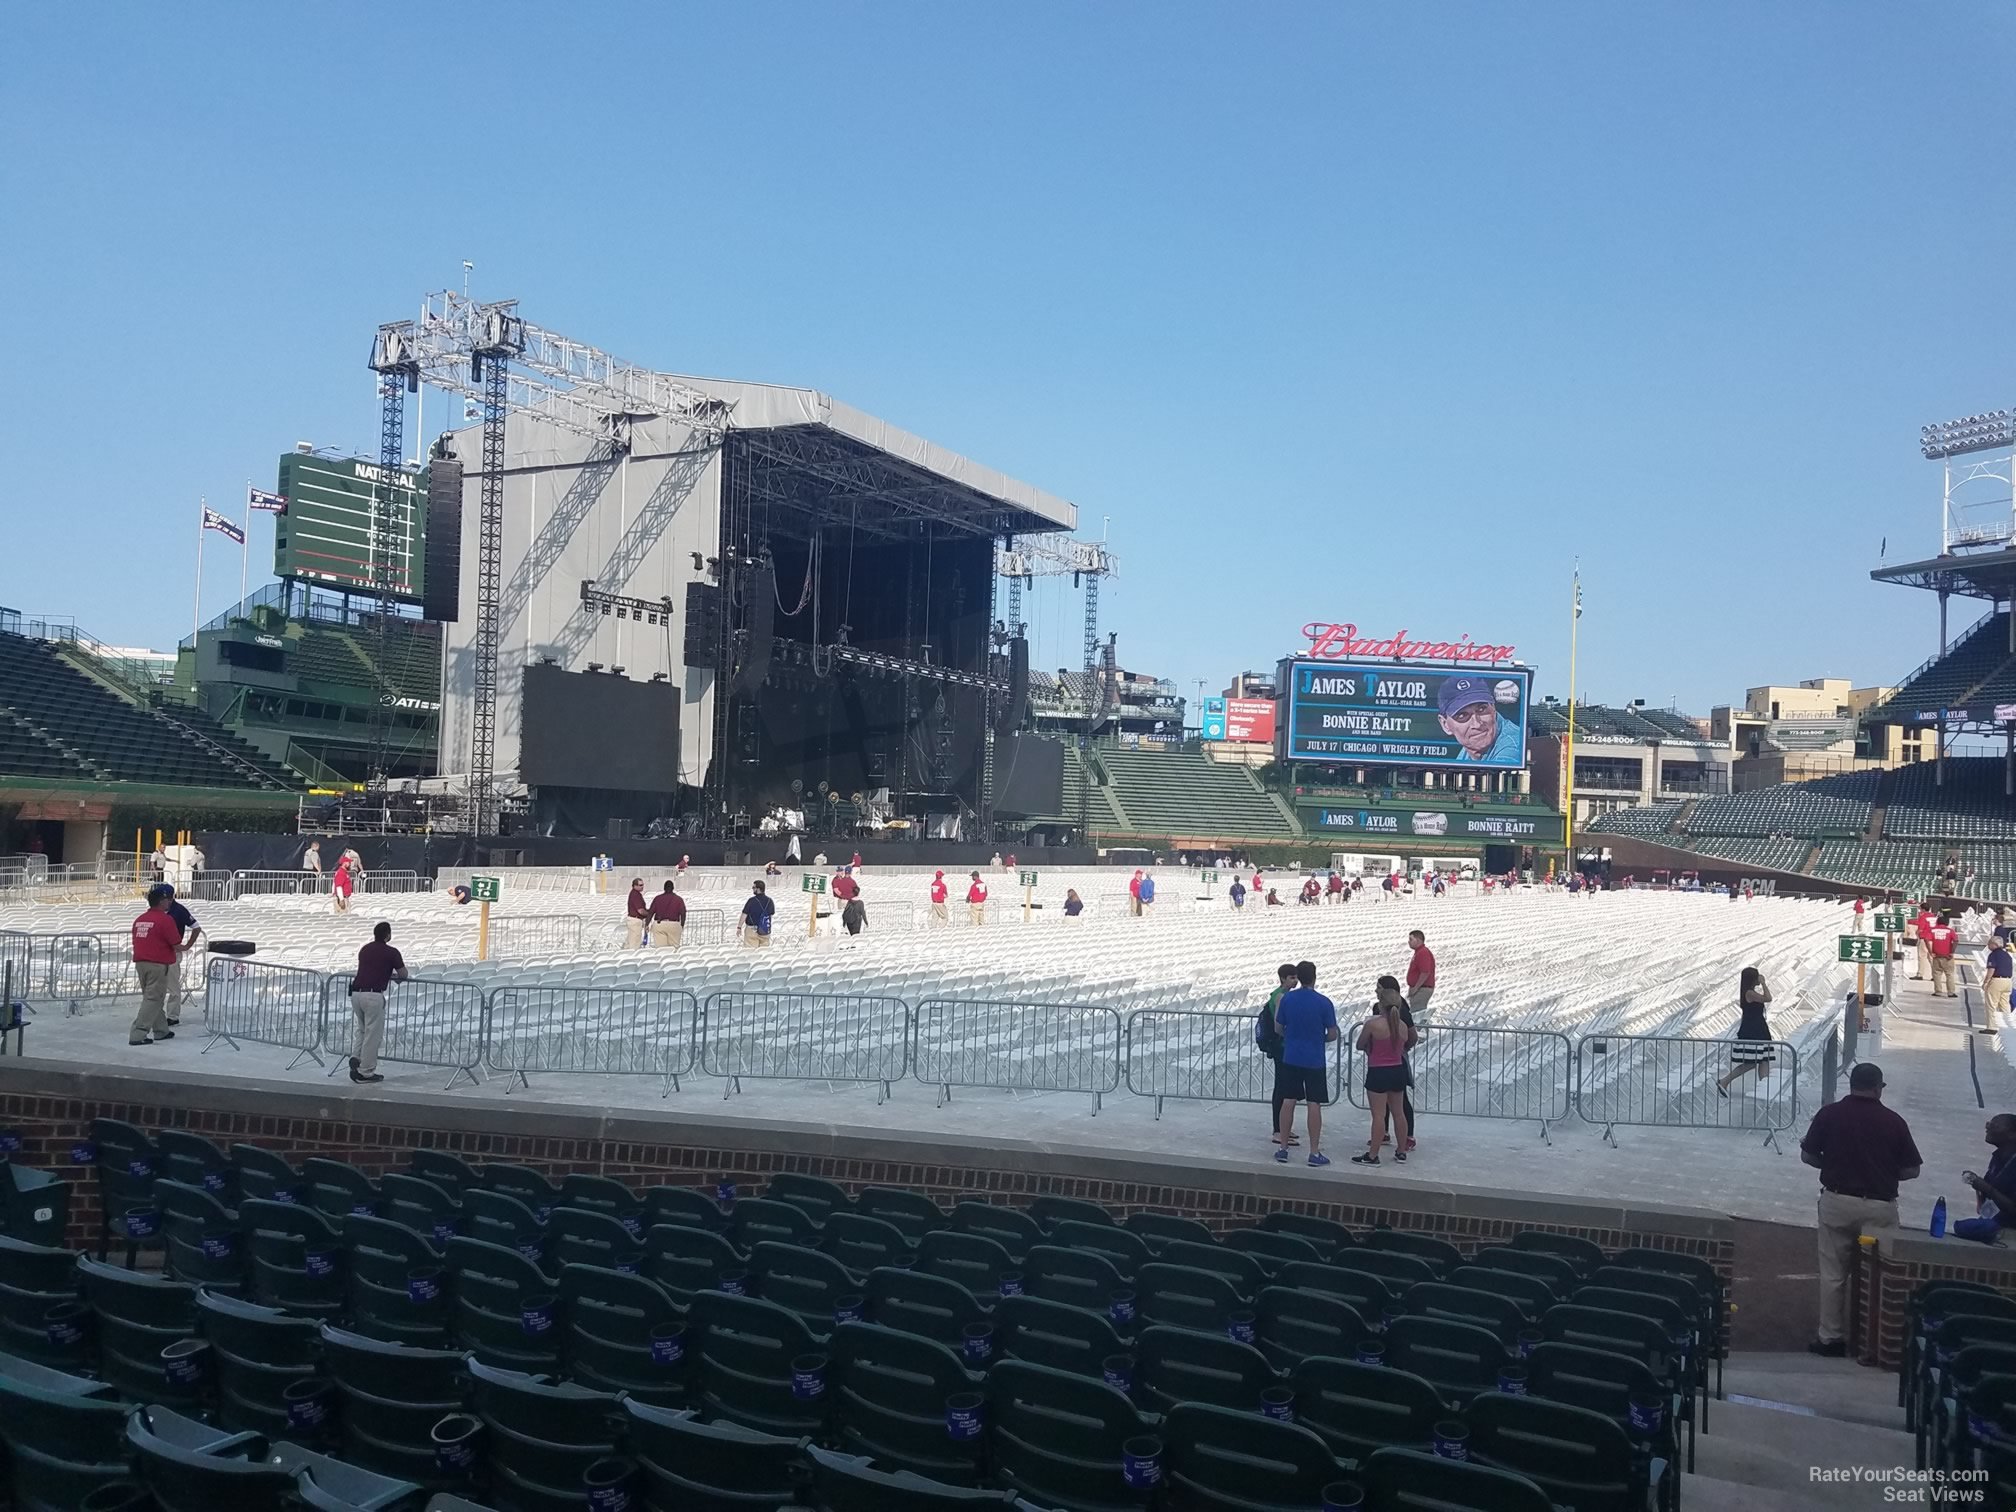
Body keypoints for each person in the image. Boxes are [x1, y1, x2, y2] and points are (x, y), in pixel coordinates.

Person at [1799, 1062, 1921, 1356]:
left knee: (1833, 1274)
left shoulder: (1830, 1114)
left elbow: (1808, 1156)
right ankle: (1875, 1341)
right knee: (1881, 1275)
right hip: (1880, 1206)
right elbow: (1911, 1171)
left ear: (1851, 1084)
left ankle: (1831, 1338)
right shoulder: (1894, 1121)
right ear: (1878, 1087)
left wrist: (1832, 1164)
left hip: (1837, 1201)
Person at [1273, 961, 1339, 1167]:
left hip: (1291, 1056)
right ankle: (1314, 1151)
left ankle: (1283, 1148)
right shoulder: (1324, 1002)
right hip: (1314, 1058)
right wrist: (1320, 1039)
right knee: (1314, 1104)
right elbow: (1333, 1033)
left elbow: (1278, 1027)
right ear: (1315, 976)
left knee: (1288, 1100)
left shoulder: (1287, 999)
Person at [1353, 982, 1417, 1166]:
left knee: (1379, 1115)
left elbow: (1360, 1044)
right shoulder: (1403, 1026)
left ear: (1380, 1004)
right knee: (1399, 1113)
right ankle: (1401, 1150)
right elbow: (1407, 1044)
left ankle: (1373, 1155)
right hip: (1397, 1070)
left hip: (1378, 1071)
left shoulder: (1374, 1025)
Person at [348, 921, 408, 1084]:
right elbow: (403, 974)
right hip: (374, 995)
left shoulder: (365, 949)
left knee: (361, 1029)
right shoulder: (392, 952)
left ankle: (356, 1056)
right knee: (373, 1034)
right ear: (388, 935)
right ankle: (365, 1071)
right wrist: (392, 976)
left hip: (356, 993)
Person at [129, 885, 182, 1046]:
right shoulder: (165, 920)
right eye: (168, 899)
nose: (170, 902)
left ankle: (161, 1030)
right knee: (153, 999)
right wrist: (189, 944)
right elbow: (176, 943)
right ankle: (138, 1033)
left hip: (141, 963)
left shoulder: (140, 919)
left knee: (153, 997)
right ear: (162, 901)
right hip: (158, 964)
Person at [1255, 963, 1299, 1148]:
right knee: (1282, 1088)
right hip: (1281, 1047)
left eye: (1296, 977)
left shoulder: (1286, 995)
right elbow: (1278, 1024)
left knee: (1285, 1087)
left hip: (1285, 1046)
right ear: (1282, 979)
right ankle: (1278, 1130)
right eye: (1291, 977)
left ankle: (1283, 1126)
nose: (1295, 980)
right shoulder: (1280, 996)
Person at [1956, 1114, 2016, 1241]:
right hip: (1993, 1224)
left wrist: (1986, 1188)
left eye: (1994, 1125)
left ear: (2012, 1134)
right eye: (1988, 1124)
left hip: (2009, 1233)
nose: (1988, 1128)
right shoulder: (1997, 1157)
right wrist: (1978, 1185)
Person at [1716, 966, 1774, 1094]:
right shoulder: (1749, 993)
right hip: (1752, 1029)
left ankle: (1765, 1088)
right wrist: (1764, 983)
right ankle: (1725, 1080)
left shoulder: (1750, 992)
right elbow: (1768, 998)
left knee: (1764, 1059)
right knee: (1751, 1062)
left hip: (1759, 1027)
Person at [1437, 676, 1522, 764]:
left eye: (1482, 709)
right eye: (1462, 716)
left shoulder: (1512, 748)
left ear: (1493, 707)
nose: (1477, 724)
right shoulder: (1471, 747)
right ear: (1445, 725)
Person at [157, 885, 204, 1020]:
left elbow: (196, 927)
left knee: (173, 986)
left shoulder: (179, 910)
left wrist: (188, 945)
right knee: (157, 986)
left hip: (172, 951)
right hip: (158, 952)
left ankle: (172, 1016)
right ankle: (157, 1013)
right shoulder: (157, 910)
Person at [1928, 910, 1959, 999]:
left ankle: (1938, 991)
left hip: (1936, 955)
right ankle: (1951, 992)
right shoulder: (1950, 931)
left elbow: (1927, 940)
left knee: (1936, 974)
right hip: (1947, 956)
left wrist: (1931, 952)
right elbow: (1956, 940)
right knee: (1949, 974)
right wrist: (1952, 952)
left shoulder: (1933, 930)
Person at [1404, 930, 1435, 1019]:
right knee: (1417, 1013)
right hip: (1419, 988)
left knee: (1417, 1015)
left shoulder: (1423, 953)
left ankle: (1418, 1031)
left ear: (1418, 940)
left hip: (1422, 989)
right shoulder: (1419, 952)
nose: (1408, 942)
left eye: (1411, 939)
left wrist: (1415, 988)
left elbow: (1425, 972)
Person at [1986, 936, 2014, 1034]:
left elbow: (1991, 969)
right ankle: (2005, 1026)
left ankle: (1992, 1027)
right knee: (2005, 1004)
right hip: (2008, 981)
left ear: (1995, 944)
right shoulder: (2007, 955)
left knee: (1991, 1004)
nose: (1988, 945)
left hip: (1997, 980)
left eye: (1989, 943)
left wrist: (1986, 981)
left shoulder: (1993, 955)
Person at [648, 881, 686, 948]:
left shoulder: (657, 898)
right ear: (673, 888)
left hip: (660, 924)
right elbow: (683, 913)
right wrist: (681, 925)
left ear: (664, 888)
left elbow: (651, 912)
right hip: (674, 924)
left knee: (661, 949)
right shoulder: (679, 899)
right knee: (674, 948)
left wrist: (647, 923)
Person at [741, 881, 774, 947]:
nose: (752, 889)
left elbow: (744, 914)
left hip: (752, 930)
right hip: (764, 930)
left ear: (758, 889)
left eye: (753, 887)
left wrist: (739, 927)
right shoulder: (770, 901)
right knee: (763, 952)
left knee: (750, 952)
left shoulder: (751, 901)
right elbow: (770, 915)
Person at [1912, 902, 1936, 981]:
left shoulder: (1923, 917)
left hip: (1924, 939)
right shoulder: (1933, 916)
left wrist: (1917, 933)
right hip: (1933, 939)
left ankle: (1920, 974)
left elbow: (1921, 928)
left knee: (1922, 957)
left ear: (1922, 909)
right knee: (1931, 957)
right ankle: (1935, 975)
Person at [625, 879, 649, 949]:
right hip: (635, 920)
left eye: (643, 885)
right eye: (640, 885)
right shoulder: (635, 895)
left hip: (635, 920)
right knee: (634, 944)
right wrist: (649, 914)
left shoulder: (636, 894)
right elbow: (640, 911)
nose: (642, 887)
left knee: (632, 941)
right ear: (635, 886)